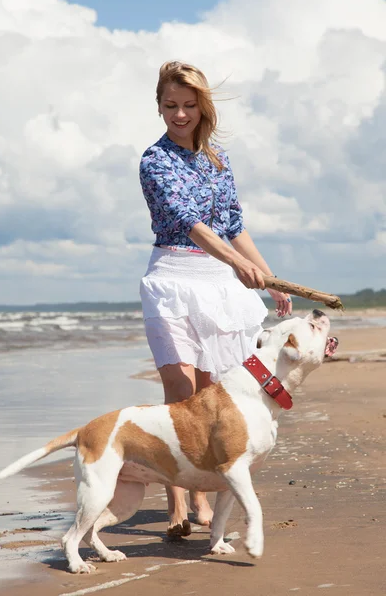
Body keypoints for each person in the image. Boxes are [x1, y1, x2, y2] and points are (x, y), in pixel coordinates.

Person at [139, 60, 292, 538]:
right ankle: (180, 504)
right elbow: (192, 224)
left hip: (218, 283)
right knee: (178, 392)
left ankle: (203, 492)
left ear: (202, 108)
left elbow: (233, 224)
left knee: (210, 394)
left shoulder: (217, 160)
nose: (179, 115)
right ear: (159, 105)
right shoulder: (154, 161)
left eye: (188, 106)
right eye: (170, 106)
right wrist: (234, 262)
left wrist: (268, 277)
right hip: (171, 279)